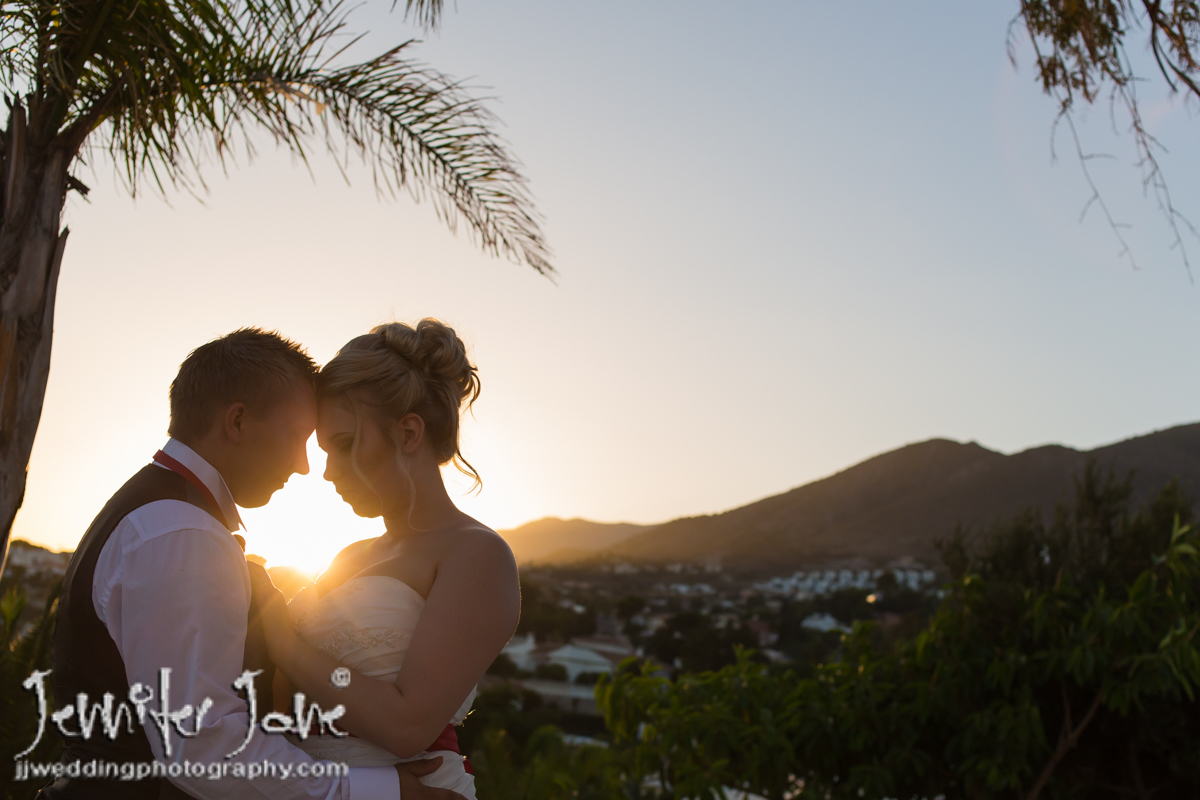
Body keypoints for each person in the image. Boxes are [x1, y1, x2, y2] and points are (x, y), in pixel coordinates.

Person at [41, 328, 462, 800]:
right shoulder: (182, 531)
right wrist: (382, 790)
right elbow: (202, 747)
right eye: (301, 437)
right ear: (238, 422)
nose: (306, 466)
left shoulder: (157, 512)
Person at [251, 320, 521, 800]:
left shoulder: (476, 554)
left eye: (346, 444)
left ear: (410, 432)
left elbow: (406, 725)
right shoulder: (348, 556)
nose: (329, 472)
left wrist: (285, 643)